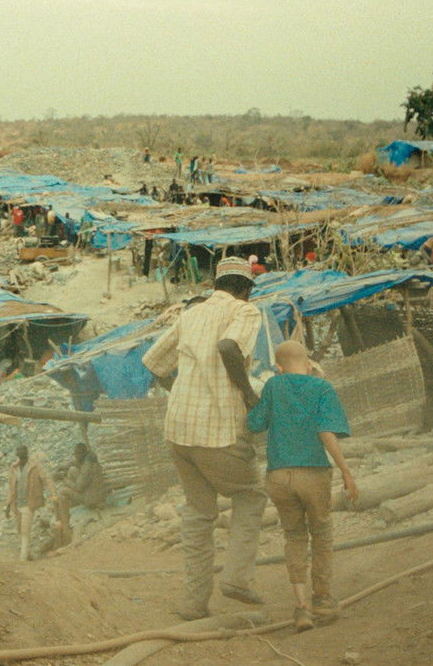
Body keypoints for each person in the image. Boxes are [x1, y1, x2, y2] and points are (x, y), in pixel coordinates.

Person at [142, 256, 268, 620]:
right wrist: (245, 391)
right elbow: (229, 348)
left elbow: (153, 363)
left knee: (199, 512)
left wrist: (183, 390)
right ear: (244, 290)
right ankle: (237, 579)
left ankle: (194, 601)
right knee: (250, 495)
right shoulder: (245, 312)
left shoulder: (191, 313)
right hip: (219, 431)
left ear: (216, 285)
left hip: (178, 429)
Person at [247, 340, 357, 632]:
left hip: (279, 476)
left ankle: (302, 608)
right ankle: (321, 599)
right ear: (308, 365)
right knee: (321, 533)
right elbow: (326, 432)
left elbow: (255, 424)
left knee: (294, 536)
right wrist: (346, 471)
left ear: (278, 367)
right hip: (313, 474)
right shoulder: (321, 388)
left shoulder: (273, 386)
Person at [5, 445, 55, 560]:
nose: (20, 453)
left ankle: (23, 559)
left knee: (25, 529)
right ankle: (27, 554)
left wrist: (53, 494)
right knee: (20, 529)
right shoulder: (14, 468)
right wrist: (8, 505)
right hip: (17, 504)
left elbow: (47, 479)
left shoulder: (35, 467)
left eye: (23, 451)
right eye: (19, 451)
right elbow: (11, 488)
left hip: (29, 502)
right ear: (17, 454)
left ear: (27, 453)